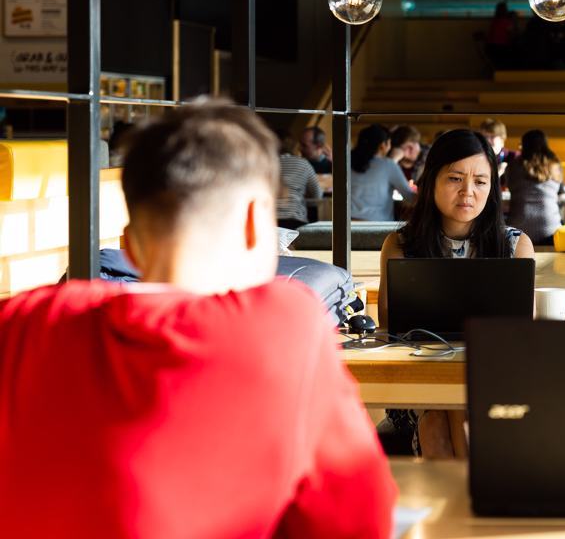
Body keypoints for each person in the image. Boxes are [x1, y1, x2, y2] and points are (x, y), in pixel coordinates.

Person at [0, 99, 396, 537]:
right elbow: (357, 520)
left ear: (129, 245)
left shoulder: (24, 321)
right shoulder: (286, 326)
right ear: (254, 223)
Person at [379, 128, 534, 457]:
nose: (468, 192)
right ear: (432, 180)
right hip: (419, 381)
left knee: (462, 414)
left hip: (491, 379)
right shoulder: (400, 245)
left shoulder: (515, 245)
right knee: (439, 420)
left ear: (492, 187)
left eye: (480, 181)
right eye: (455, 179)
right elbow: (392, 328)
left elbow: (524, 331)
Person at [504, 129, 564, 246]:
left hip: (519, 230)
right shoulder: (555, 165)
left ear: (523, 145)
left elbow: (509, 187)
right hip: (550, 229)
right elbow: (560, 196)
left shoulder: (513, 166)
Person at [351, 123, 415, 221]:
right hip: (378, 225)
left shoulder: (347, 162)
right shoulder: (388, 165)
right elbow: (409, 196)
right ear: (382, 146)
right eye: (389, 143)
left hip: (348, 223)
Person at [278, 133, 322, 229]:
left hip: (269, 219)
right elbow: (318, 195)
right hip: (295, 220)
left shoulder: (265, 163)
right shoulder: (303, 164)